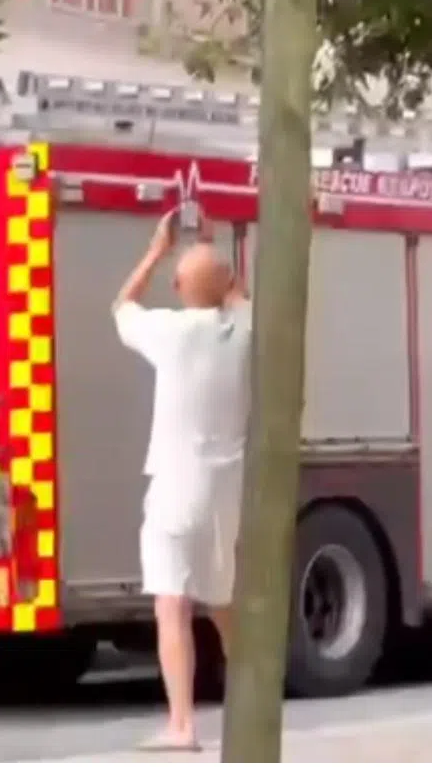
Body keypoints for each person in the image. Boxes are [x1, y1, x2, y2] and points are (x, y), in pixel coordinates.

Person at [111, 207, 252, 753]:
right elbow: (235, 295)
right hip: (225, 490)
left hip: (175, 485)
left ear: (176, 286)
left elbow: (121, 306)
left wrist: (156, 248)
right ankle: (250, 698)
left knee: (172, 604)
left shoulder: (168, 331)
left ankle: (182, 725)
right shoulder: (242, 330)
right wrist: (216, 258)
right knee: (221, 600)